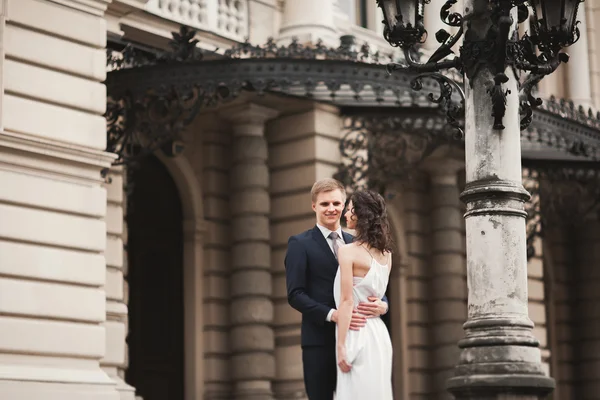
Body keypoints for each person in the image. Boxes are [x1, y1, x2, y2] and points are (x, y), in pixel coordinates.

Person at [285, 178, 389, 400]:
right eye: (324, 204)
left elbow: (373, 285)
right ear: (314, 206)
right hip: (319, 342)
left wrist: (383, 305)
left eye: (336, 203)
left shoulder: (358, 243)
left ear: (344, 206)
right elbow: (295, 295)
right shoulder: (299, 244)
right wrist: (335, 315)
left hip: (358, 339)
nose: (331, 209)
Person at [334, 190, 394, 399]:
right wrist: (384, 306)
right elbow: (378, 296)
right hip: (379, 335)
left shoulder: (347, 251)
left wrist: (341, 346)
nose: (346, 215)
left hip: (355, 332)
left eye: (350, 210)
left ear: (360, 215)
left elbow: (347, 300)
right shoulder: (387, 255)